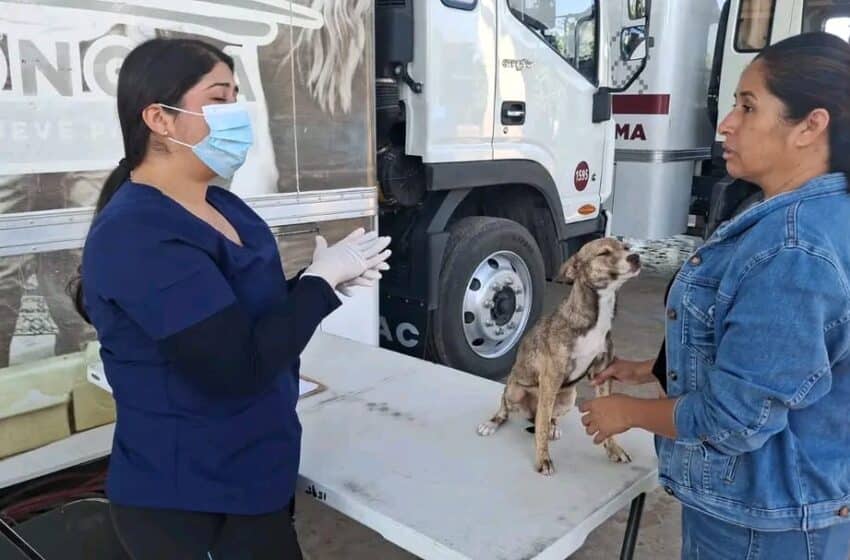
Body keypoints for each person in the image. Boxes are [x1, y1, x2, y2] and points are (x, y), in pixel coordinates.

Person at [71, 38, 390, 559]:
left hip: (253, 474)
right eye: (219, 98)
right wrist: (318, 285)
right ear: (160, 119)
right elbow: (236, 367)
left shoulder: (221, 204)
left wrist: (319, 285)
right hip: (193, 499)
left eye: (237, 98)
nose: (238, 114)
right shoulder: (137, 234)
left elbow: (246, 316)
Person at [579, 32, 850, 559]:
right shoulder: (817, 216)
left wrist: (628, 413)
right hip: (794, 505)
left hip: (762, 527)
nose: (726, 123)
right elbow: (790, 364)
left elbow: (737, 418)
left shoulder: (792, 248)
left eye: (748, 107)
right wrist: (655, 369)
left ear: (810, 126)